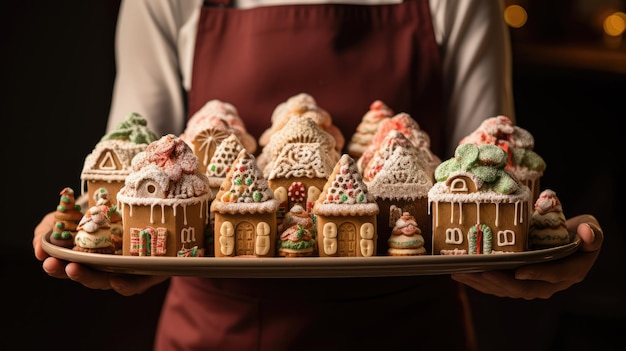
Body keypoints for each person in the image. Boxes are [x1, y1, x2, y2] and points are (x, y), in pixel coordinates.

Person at [33, 0, 604, 350]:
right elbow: (141, 159)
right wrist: (119, 245)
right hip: (216, 329)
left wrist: (525, 243)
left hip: (410, 329)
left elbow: (487, 156)